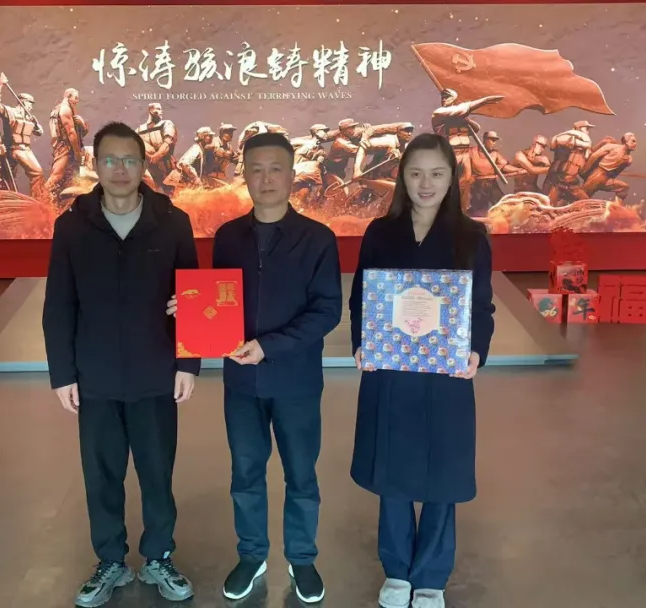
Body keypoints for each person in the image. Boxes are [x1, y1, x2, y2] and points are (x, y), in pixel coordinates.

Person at [169, 132, 342, 603]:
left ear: (291, 174)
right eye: (256, 169)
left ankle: (302, 559)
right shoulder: (229, 238)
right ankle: (252, 555)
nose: (265, 179)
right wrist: (189, 307)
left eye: (275, 168)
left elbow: (327, 311)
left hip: (296, 381)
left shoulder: (317, 239)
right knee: (245, 472)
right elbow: (221, 301)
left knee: (301, 474)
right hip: (242, 382)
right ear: (244, 174)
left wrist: (269, 346)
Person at [43, 121, 200, 608]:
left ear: (143, 164)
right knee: (102, 476)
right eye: (109, 159)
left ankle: (159, 556)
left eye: (129, 159)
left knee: (157, 474)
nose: (119, 169)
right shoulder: (72, 226)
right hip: (96, 378)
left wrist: (188, 363)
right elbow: (59, 304)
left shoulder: (172, 222)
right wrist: (62, 373)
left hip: (156, 374)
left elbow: (193, 297)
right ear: (95, 165)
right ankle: (110, 559)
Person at [348, 132, 496, 608]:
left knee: (442, 474)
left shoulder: (471, 237)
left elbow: (482, 305)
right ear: (402, 178)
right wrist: (362, 343)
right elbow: (361, 297)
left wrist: (476, 351)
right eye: (415, 173)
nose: (425, 183)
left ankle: (431, 575)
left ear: (452, 178)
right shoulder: (380, 233)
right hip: (391, 369)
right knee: (393, 469)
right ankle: (396, 570)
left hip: (444, 373)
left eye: (436, 173)